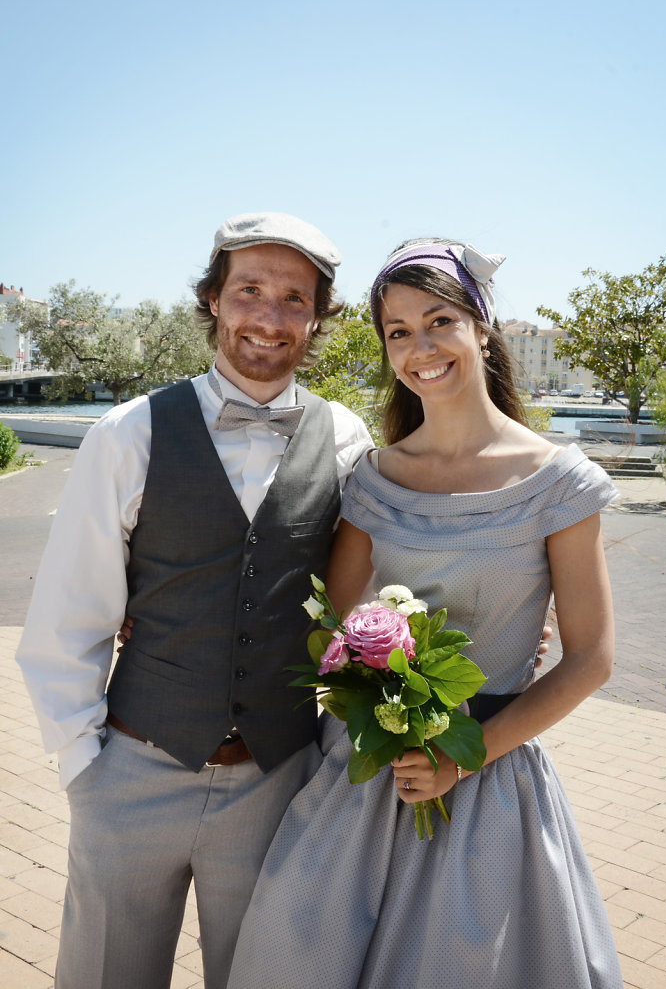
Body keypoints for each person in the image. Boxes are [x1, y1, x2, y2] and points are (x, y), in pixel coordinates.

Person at [225, 239, 623, 989]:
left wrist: (459, 755)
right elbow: (335, 631)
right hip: (365, 774)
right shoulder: (375, 477)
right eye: (398, 331)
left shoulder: (557, 482)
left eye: (438, 320)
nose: (420, 347)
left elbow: (590, 658)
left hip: (488, 776)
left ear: (481, 325)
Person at [16, 212, 373, 989]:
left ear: (317, 317)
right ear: (215, 298)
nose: (269, 317)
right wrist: (86, 769)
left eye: (293, 298)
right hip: (132, 772)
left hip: (277, 784)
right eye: (249, 290)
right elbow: (70, 614)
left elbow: (378, 591)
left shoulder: (348, 440)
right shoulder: (128, 432)